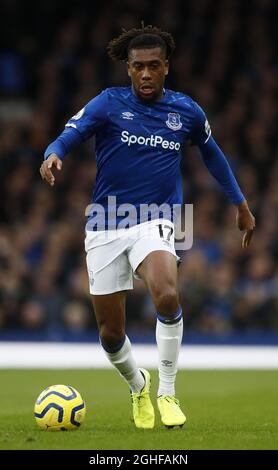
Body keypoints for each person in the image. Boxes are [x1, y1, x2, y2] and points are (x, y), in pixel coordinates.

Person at [40, 25, 255, 429]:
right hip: (105, 221)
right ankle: (139, 386)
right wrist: (53, 153)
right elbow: (70, 133)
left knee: (167, 294)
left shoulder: (186, 112)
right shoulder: (108, 104)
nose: (145, 74)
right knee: (109, 333)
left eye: (153, 66)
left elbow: (214, 156)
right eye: (138, 66)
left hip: (157, 218)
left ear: (166, 68)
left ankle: (168, 391)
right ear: (128, 69)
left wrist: (240, 204)